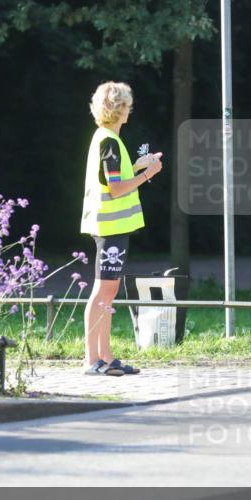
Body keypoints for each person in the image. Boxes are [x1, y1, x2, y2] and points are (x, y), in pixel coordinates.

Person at [81, 81, 163, 375]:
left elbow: (114, 178)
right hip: (110, 226)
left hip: (110, 226)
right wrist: (148, 174)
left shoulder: (105, 139)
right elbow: (116, 189)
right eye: (127, 104)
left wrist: (138, 166)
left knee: (108, 291)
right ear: (118, 109)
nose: (130, 109)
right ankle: (92, 360)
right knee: (103, 291)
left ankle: (105, 355)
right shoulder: (110, 143)